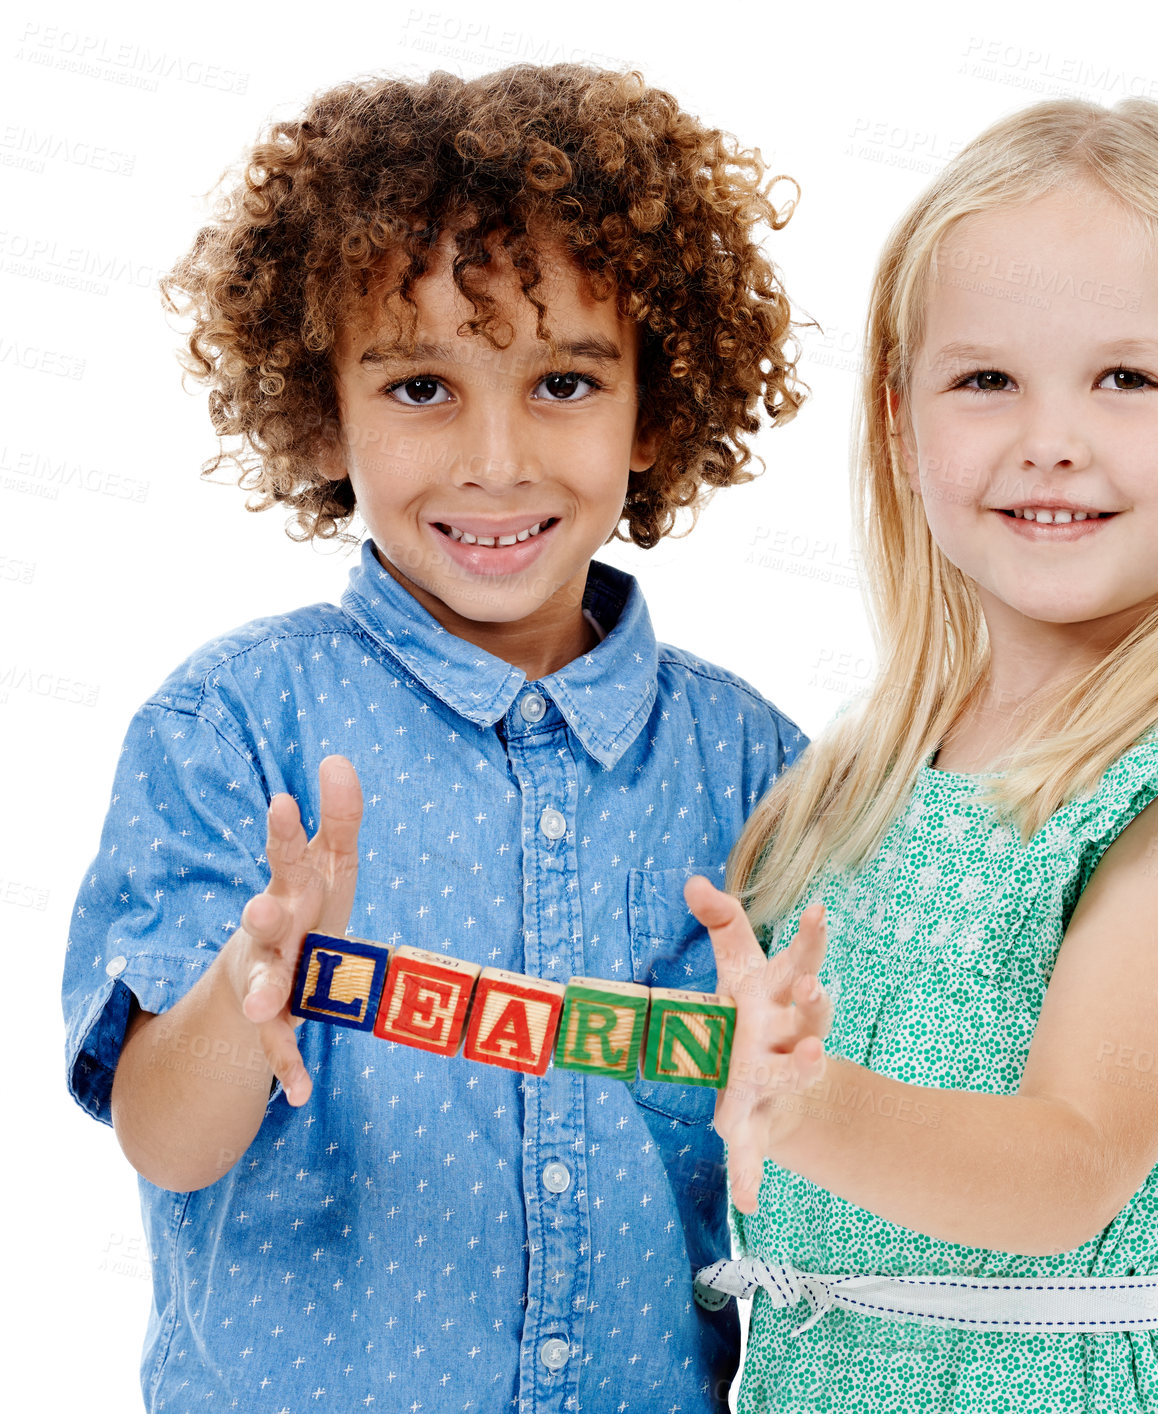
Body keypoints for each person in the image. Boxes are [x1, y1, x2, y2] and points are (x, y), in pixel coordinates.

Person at [60, 64, 807, 1413]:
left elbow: (812, 1157)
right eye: (419, 388)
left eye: (566, 381)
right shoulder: (231, 729)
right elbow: (164, 1138)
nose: (495, 457)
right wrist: (251, 983)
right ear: (321, 404)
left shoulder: (753, 768)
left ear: (656, 406)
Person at [683, 97, 1158, 1412]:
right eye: (984, 378)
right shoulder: (872, 765)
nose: (1048, 434)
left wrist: (798, 1104)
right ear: (901, 424)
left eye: (1123, 377)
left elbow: (1068, 1164)